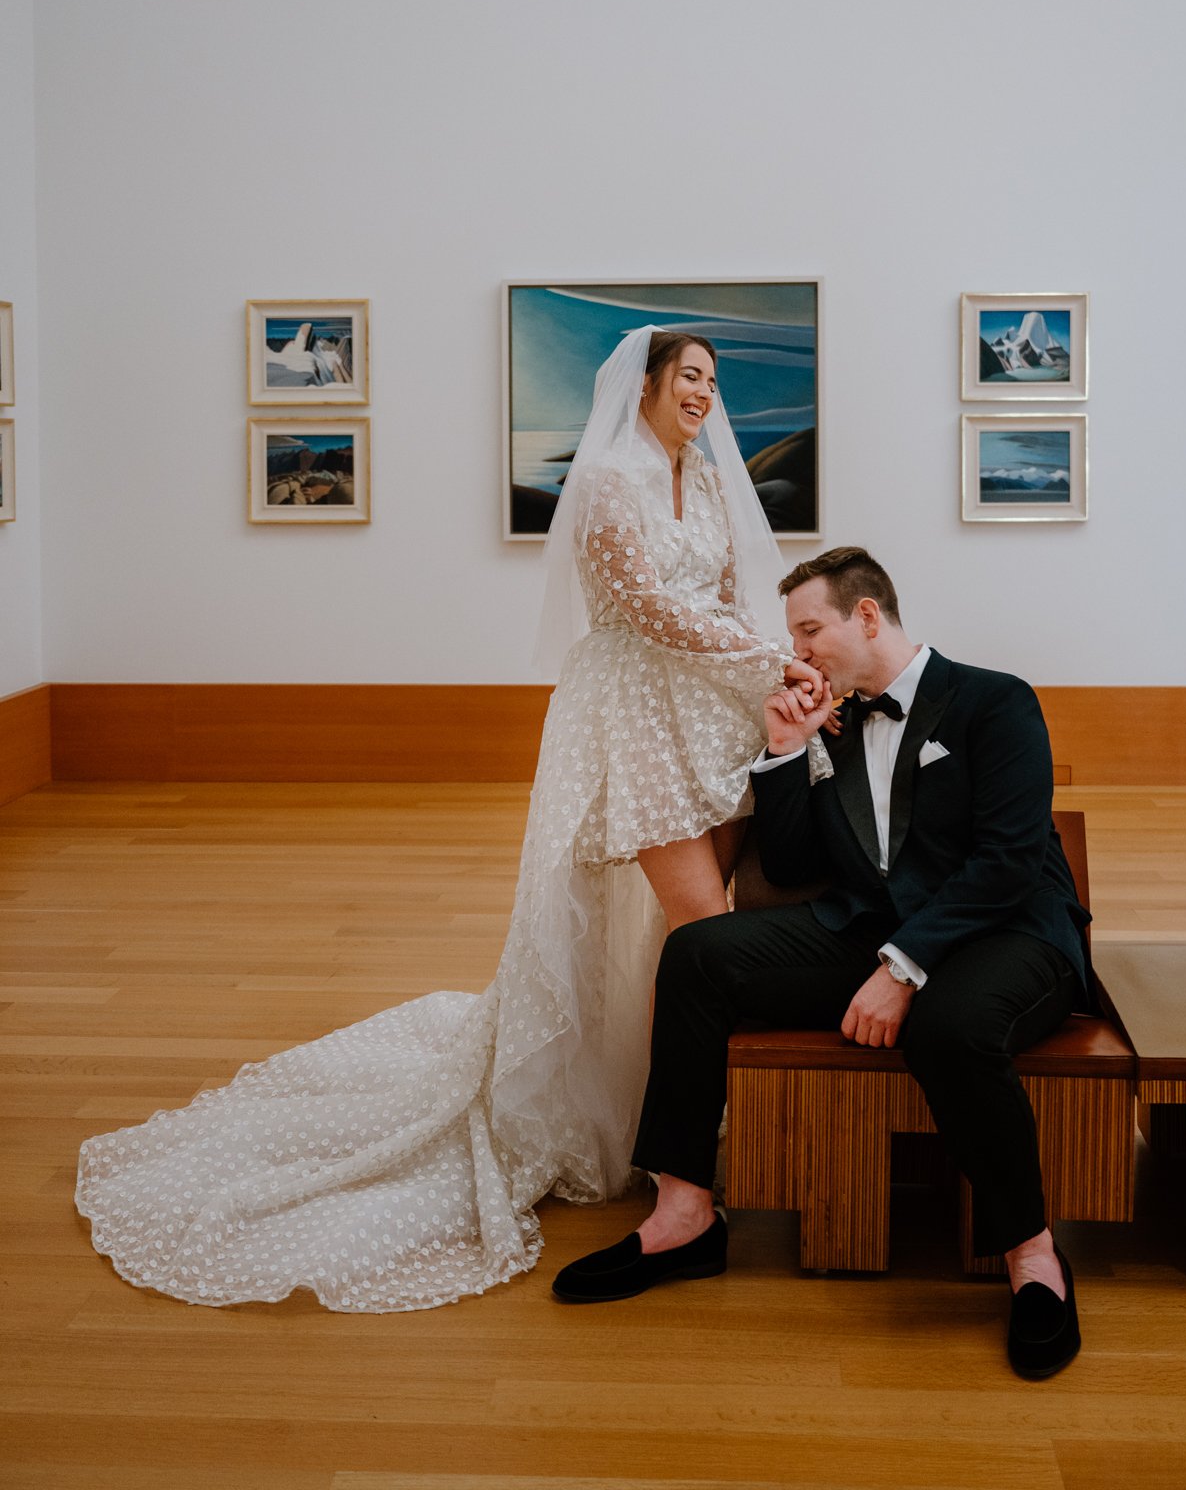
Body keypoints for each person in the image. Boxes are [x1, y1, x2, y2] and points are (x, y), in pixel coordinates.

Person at [76, 326, 816, 1311]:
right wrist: (772, 659)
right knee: (699, 928)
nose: (704, 394)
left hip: (708, 715)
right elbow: (642, 608)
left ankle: (667, 1121)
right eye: (689, 376)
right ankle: (687, 1174)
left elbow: (724, 597)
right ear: (642, 384)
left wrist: (767, 668)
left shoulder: (714, 483)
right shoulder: (602, 482)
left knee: (677, 937)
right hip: (632, 716)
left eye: (714, 383)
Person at [553, 546, 1091, 1381]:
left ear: (866, 615)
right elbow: (800, 864)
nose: (798, 652)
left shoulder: (993, 700)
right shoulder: (833, 720)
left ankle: (1031, 1255)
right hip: (869, 930)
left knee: (948, 1032)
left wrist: (905, 965)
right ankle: (684, 1212)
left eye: (810, 630)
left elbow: (1010, 861)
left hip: (1006, 934)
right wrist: (784, 749)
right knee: (696, 955)